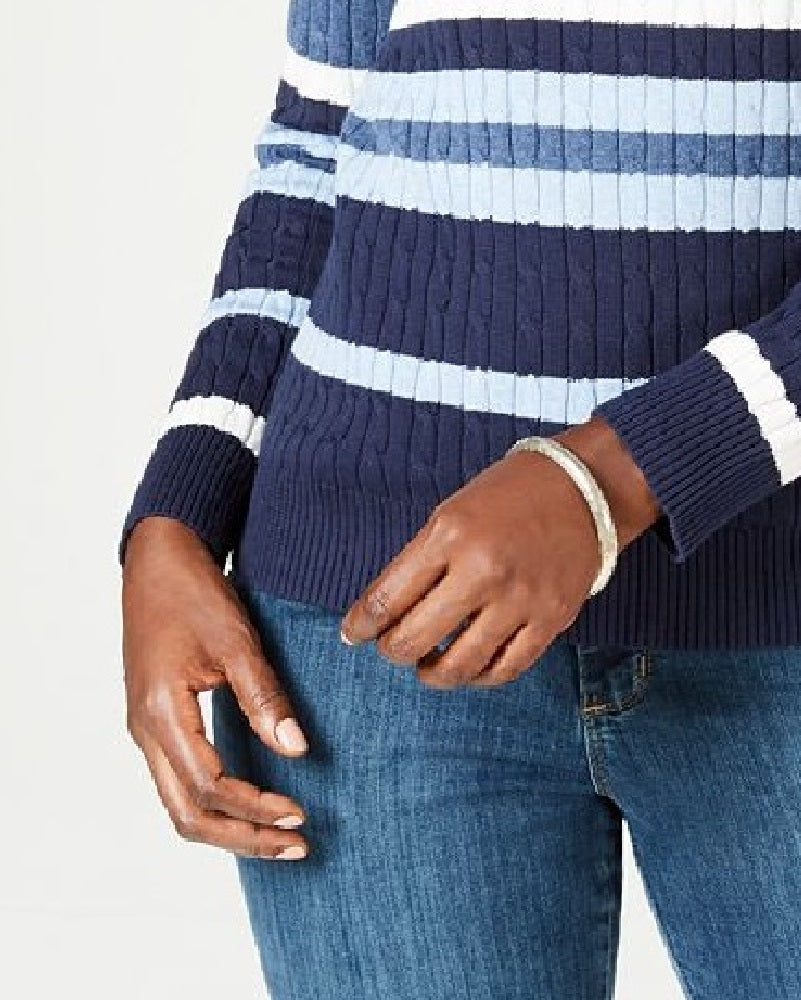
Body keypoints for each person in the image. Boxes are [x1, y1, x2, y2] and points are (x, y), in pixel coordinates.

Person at [119, 1, 801, 996]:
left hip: (773, 607)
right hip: (372, 627)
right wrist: (181, 503)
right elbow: (316, 144)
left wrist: (619, 475)